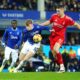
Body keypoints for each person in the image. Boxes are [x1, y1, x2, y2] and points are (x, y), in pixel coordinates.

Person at [40, 4, 80, 73]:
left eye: (58, 11)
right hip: (52, 37)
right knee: (54, 54)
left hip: (60, 37)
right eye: (56, 11)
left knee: (56, 49)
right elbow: (49, 21)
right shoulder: (54, 16)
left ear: (62, 10)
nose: (57, 12)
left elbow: (76, 24)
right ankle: (58, 66)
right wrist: (40, 25)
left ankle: (62, 67)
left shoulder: (67, 19)